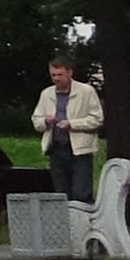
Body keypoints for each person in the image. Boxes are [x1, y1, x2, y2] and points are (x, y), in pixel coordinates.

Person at [34, 58, 105, 205]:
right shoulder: (46, 94)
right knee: (61, 193)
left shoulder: (86, 92)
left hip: (80, 150)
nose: (56, 78)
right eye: (53, 75)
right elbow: (36, 120)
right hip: (56, 149)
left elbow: (97, 119)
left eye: (60, 74)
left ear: (70, 73)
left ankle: (83, 225)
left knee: (81, 193)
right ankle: (65, 226)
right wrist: (45, 121)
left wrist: (72, 124)